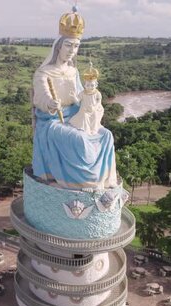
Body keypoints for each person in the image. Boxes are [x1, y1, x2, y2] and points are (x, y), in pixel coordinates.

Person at [31, 7, 117, 190]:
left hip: (76, 116)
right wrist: (51, 103)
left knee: (106, 135)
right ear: (59, 46)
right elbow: (42, 97)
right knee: (79, 139)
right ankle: (83, 182)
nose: (72, 50)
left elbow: (79, 95)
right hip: (53, 121)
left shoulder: (73, 71)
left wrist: (90, 102)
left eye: (76, 46)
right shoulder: (43, 72)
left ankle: (102, 179)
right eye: (69, 45)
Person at [68, 63, 104, 136]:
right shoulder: (83, 93)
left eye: (92, 85)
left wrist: (94, 107)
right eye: (88, 85)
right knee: (85, 116)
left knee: (95, 116)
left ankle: (94, 129)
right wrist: (73, 97)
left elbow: (99, 102)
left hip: (94, 109)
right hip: (84, 110)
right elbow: (78, 100)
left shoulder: (97, 93)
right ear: (84, 85)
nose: (90, 87)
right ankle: (86, 129)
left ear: (96, 85)